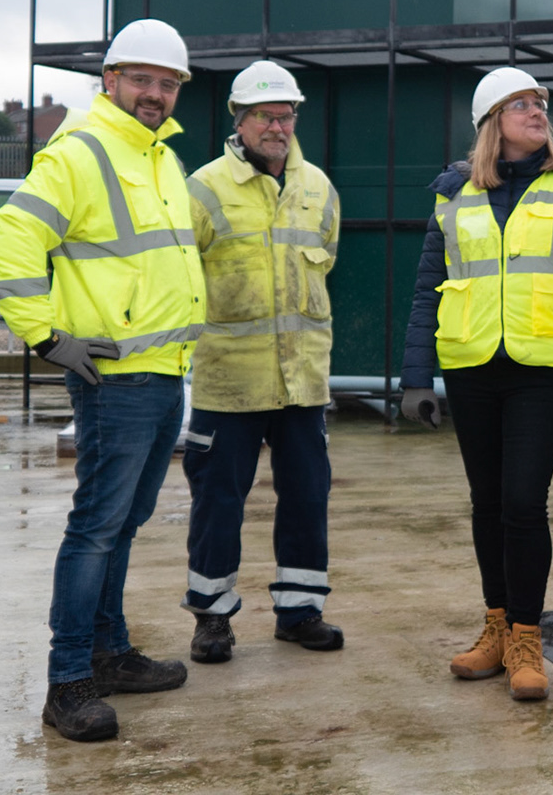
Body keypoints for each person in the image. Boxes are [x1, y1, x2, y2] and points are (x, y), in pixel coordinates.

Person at [399, 66, 553, 702]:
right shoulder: (453, 193)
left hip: (540, 368)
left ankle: (527, 637)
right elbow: (429, 288)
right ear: (492, 122)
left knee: (522, 502)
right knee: (486, 502)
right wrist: (415, 377)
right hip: (470, 364)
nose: (537, 111)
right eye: (520, 104)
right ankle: (496, 626)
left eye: (539, 102)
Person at [0, 18, 207, 742]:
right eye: (141, 79)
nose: (155, 93)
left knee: (124, 523)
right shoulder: (80, 151)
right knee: (96, 528)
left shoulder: (160, 157)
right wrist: (47, 337)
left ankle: (110, 654)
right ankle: (69, 680)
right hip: (114, 379)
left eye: (167, 83)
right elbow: (11, 242)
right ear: (110, 81)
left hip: (163, 371)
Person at [179, 60, 344, 662]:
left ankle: (300, 612)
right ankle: (211, 618)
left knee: (307, 498)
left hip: (302, 382)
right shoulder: (202, 189)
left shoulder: (318, 188)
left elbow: (327, 257)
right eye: (265, 116)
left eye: (286, 115)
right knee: (218, 503)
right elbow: (182, 278)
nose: (278, 126)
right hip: (229, 382)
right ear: (240, 120)